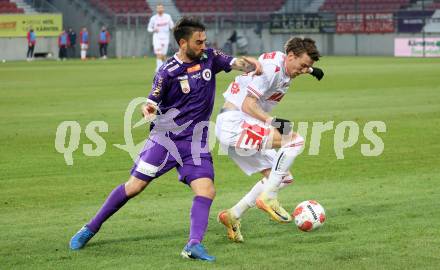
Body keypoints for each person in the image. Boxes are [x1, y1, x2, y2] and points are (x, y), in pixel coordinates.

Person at [69, 17, 262, 262]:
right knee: (134, 187)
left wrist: (251, 64)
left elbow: (235, 62)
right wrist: (147, 110)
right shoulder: (167, 71)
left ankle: (193, 245)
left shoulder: (210, 57)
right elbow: (151, 101)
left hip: (195, 142)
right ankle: (90, 228)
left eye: (204, 40)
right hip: (165, 140)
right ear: (183, 43)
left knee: (206, 190)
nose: (203, 45)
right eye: (198, 41)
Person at [215, 37, 324, 242]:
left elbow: (298, 64)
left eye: (306, 67)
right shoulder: (271, 69)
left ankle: (232, 215)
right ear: (291, 56)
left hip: (241, 124)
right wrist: (272, 121)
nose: (302, 70)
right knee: (294, 141)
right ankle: (268, 197)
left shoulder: (287, 64)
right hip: (235, 122)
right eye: (302, 66)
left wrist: (312, 70)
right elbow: (248, 104)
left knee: (282, 176)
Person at [147, 4, 174, 71]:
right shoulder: (153, 18)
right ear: (156, 9)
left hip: (165, 38)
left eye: (161, 8)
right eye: (158, 8)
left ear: (163, 9)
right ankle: (158, 69)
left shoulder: (168, 17)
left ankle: (165, 66)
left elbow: (172, 26)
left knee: (163, 55)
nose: (160, 9)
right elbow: (149, 28)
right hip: (157, 38)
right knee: (159, 53)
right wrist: (153, 30)